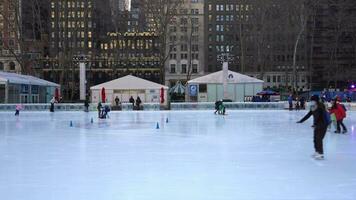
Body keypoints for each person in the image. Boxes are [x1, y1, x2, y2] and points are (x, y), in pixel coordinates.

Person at [297, 95, 329, 160]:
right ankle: (317, 152)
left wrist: (319, 124)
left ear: (315, 100)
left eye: (312, 100)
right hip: (317, 125)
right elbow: (309, 114)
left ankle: (320, 154)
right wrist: (301, 121)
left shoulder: (320, 106)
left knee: (319, 139)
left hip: (322, 124)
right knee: (315, 139)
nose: (311, 101)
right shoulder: (313, 106)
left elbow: (322, 116)